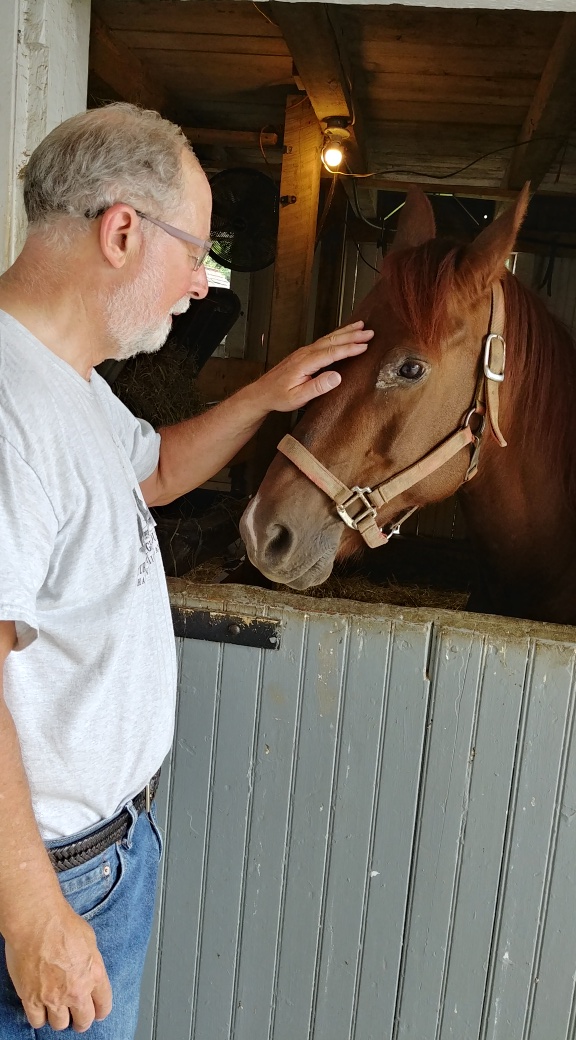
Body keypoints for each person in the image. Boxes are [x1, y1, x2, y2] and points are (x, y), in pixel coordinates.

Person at [0, 102, 373, 1037]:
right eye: (197, 252)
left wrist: (265, 394)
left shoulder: (66, 381)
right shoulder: (11, 411)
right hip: (47, 876)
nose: (206, 286)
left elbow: (158, 467)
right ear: (121, 230)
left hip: (105, 851)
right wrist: (32, 912)